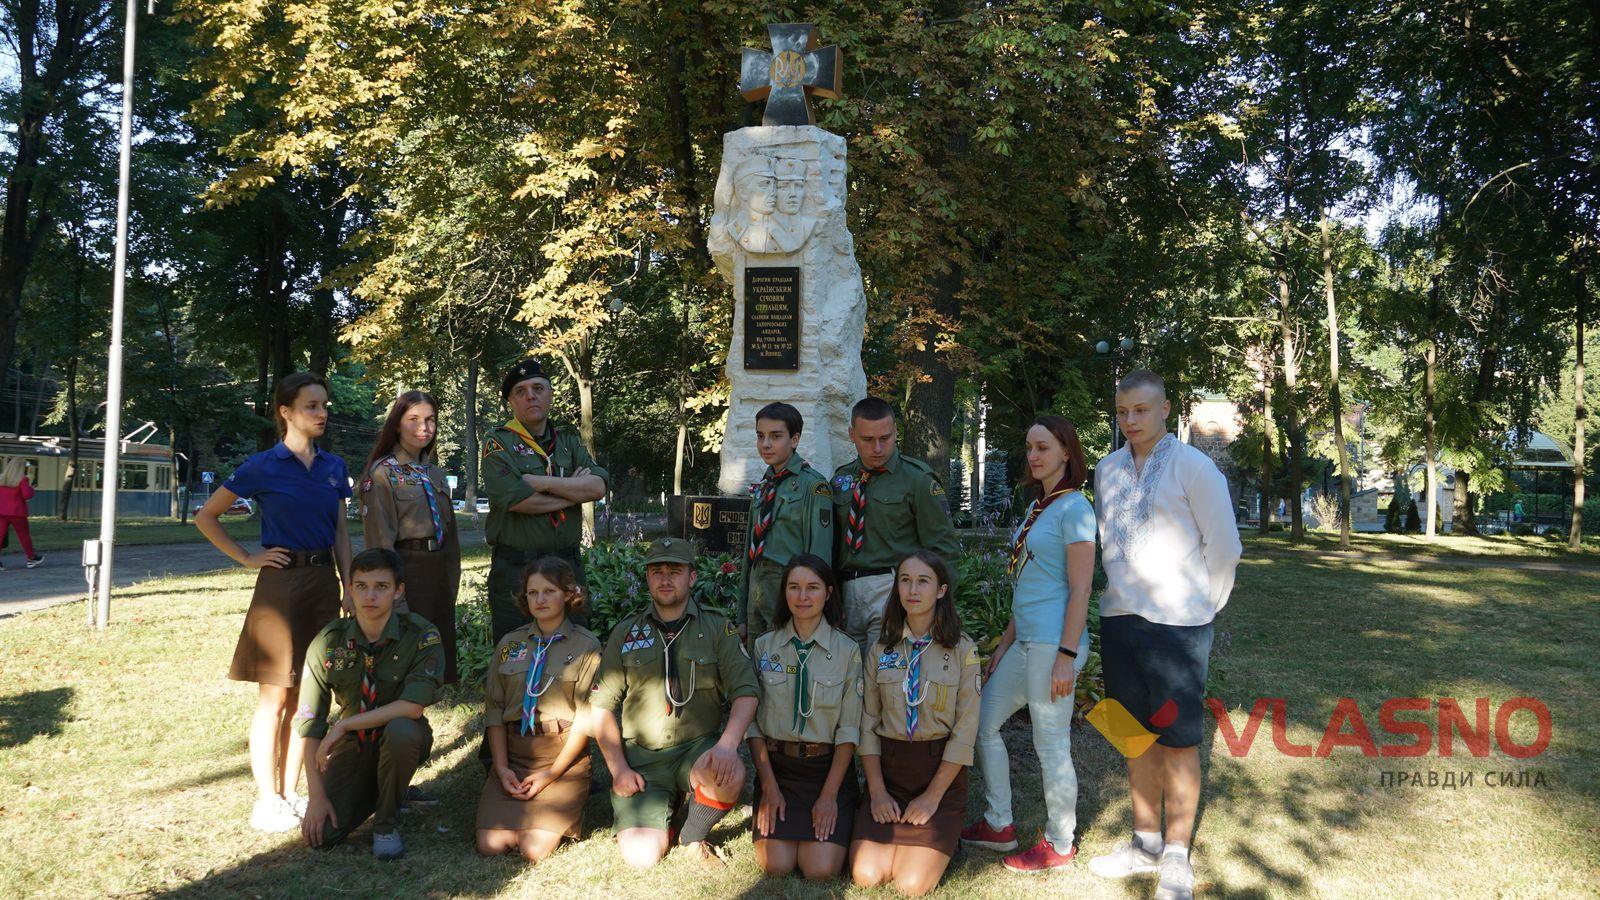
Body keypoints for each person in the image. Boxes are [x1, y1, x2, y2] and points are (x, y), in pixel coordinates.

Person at [1088, 370, 1242, 900]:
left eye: (1141, 410)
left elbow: (1224, 547)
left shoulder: (1195, 469)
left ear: (1165, 409)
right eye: (1123, 412)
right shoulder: (1106, 470)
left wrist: (1203, 605)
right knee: (1133, 736)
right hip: (1119, 619)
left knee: (1177, 741)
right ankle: (1144, 842)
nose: (1131, 421)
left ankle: (1177, 856)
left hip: (1179, 626)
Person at [195, 372, 354, 833]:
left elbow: (342, 533)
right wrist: (246, 557)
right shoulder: (262, 465)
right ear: (285, 412)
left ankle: (292, 792)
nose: (322, 413)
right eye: (311, 406)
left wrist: (348, 586)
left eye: (324, 405)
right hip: (280, 588)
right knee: (273, 696)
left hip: (325, 585)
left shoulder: (334, 467)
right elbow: (207, 516)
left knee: (308, 694)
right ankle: (267, 800)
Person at [962, 416, 1096, 872]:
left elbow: (1080, 590)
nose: (1033, 456)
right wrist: (1002, 646)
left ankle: (1060, 845)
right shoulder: (1039, 507)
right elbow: (1029, 588)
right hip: (1024, 645)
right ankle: (999, 824)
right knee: (982, 723)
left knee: (1051, 744)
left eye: (1043, 447)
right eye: (1029, 447)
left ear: (1065, 451)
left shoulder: (1075, 508)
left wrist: (1067, 656)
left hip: (1052, 647)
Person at [589, 537, 758, 868]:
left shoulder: (716, 628)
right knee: (641, 858)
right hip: (643, 760)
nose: (665, 578)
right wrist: (618, 768)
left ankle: (692, 834)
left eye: (675, 571)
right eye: (657, 571)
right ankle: (665, 805)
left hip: (697, 749)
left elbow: (746, 690)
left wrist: (726, 746)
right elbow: (600, 706)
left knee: (730, 771)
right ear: (648, 578)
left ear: (691, 577)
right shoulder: (626, 633)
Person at [294, 548, 445, 860]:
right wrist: (316, 796)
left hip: (402, 736)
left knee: (402, 730)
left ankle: (386, 823)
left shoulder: (421, 633)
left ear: (399, 591)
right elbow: (311, 723)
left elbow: (412, 707)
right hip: (353, 745)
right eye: (361, 586)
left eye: (382, 586)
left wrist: (346, 723)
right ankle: (382, 790)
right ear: (349, 589)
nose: (370, 596)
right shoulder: (329, 641)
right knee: (323, 836)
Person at [851, 550, 981, 898]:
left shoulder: (962, 651)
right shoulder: (881, 649)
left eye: (923, 581)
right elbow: (868, 724)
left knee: (911, 885)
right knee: (866, 875)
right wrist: (877, 793)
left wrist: (932, 797)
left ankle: (944, 839)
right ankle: (897, 830)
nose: (912, 589)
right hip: (890, 776)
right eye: (905, 580)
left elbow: (965, 730)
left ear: (941, 590)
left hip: (938, 775)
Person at [476, 556, 602, 863]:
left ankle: (551, 809)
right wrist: (502, 768)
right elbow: (495, 710)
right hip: (514, 755)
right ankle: (509, 794)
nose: (540, 599)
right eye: (533, 593)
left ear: (569, 595)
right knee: (490, 844)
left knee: (534, 850)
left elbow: (586, 720)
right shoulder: (510, 644)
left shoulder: (586, 646)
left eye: (549, 591)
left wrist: (551, 773)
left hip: (561, 759)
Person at [747, 553, 863, 881]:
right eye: (794, 587)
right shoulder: (764, 647)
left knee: (819, 869)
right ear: (784, 592)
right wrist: (769, 787)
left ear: (828, 593)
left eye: (812, 588)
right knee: (777, 866)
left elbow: (849, 730)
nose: (803, 596)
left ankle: (832, 812)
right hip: (778, 771)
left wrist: (828, 797)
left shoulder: (847, 651)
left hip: (826, 772)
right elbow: (752, 724)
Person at [482, 357, 609, 641]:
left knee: (575, 648)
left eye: (538, 388)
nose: (531, 396)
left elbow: (598, 487)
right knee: (515, 652)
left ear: (550, 395)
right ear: (511, 403)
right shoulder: (498, 442)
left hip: (567, 567)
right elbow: (516, 500)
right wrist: (572, 491)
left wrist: (540, 483)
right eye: (521, 391)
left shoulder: (568, 440)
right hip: (517, 569)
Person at [831, 397, 960, 653]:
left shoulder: (917, 480)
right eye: (867, 440)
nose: (877, 447)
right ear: (851, 435)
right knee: (847, 678)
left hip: (891, 588)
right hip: (847, 592)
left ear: (895, 432)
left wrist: (939, 608)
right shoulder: (841, 479)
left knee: (884, 675)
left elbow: (944, 549)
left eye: (885, 438)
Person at [361, 390, 462, 684]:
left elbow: (451, 536)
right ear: (396, 424)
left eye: (430, 420)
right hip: (407, 572)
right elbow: (380, 544)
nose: (424, 427)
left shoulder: (435, 474)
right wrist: (392, 594)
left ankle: (420, 722)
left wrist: (450, 580)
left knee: (431, 661)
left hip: (437, 573)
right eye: (414, 419)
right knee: (405, 659)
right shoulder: (382, 473)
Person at [739, 402, 833, 646]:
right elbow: (750, 554)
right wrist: (742, 613)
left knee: (786, 668)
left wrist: (812, 608)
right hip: (757, 595)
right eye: (760, 436)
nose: (766, 444)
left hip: (790, 593)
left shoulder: (813, 486)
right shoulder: (763, 487)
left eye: (776, 436)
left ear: (795, 439)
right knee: (757, 669)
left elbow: (819, 556)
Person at [0, 457, 42, 570]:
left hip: (2, 512)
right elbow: (27, 495)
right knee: (24, 536)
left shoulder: (2, 479)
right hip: (17, 513)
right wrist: (31, 489)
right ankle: (31, 558)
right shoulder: (23, 480)